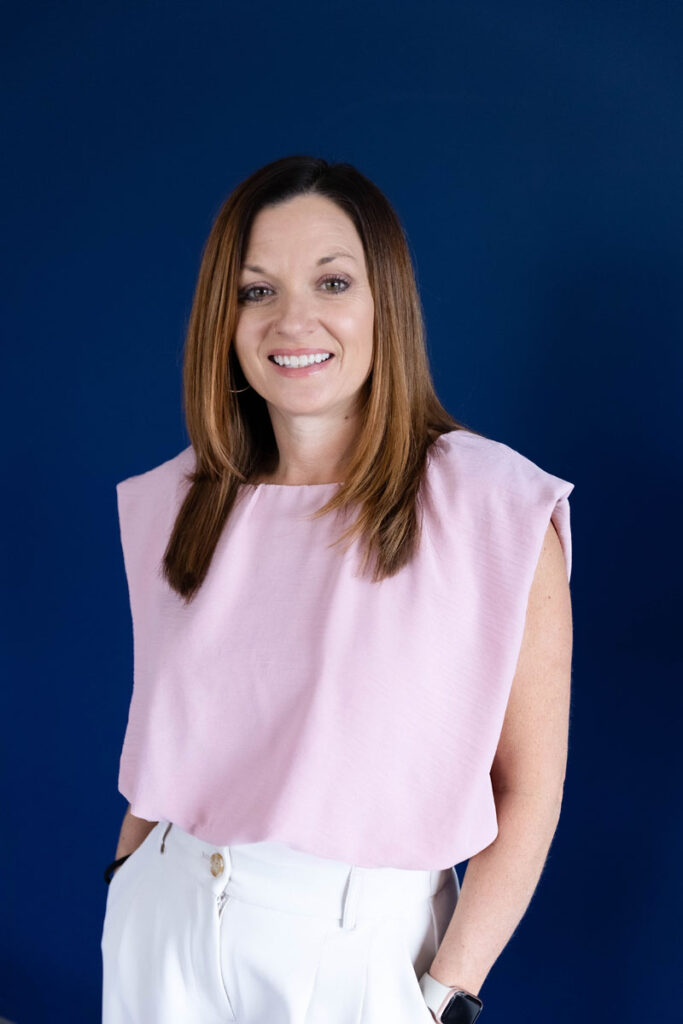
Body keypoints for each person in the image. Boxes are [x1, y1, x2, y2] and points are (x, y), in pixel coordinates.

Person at [101, 155, 574, 1024]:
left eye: (331, 280)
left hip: (356, 950)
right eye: (256, 291)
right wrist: (127, 878)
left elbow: (529, 789)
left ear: (382, 301)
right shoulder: (178, 502)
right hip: (162, 926)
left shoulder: (492, 506)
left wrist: (445, 995)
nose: (294, 320)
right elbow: (162, 742)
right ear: (225, 316)